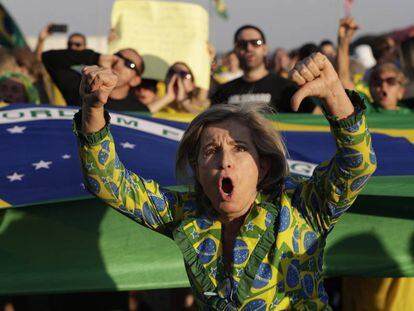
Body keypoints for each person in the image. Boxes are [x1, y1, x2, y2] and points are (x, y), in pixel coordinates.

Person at [74, 52, 376, 309]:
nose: (225, 160)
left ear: (264, 167)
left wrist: (335, 94)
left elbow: (358, 164)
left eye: (240, 148)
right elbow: (106, 181)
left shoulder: (301, 208)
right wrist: (94, 108)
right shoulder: (186, 213)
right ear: (197, 169)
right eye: (211, 151)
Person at [210, 25, 316, 113]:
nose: (249, 48)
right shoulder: (223, 91)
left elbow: (318, 120)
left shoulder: (287, 88)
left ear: (265, 49)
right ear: (235, 50)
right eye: (242, 44)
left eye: (256, 43)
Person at [42, 47, 147, 111]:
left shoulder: (139, 110)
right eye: (117, 56)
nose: (118, 63)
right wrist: (96, 57)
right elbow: (48, 59)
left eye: (129, 64)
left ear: (135, 80)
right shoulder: (82, 89)